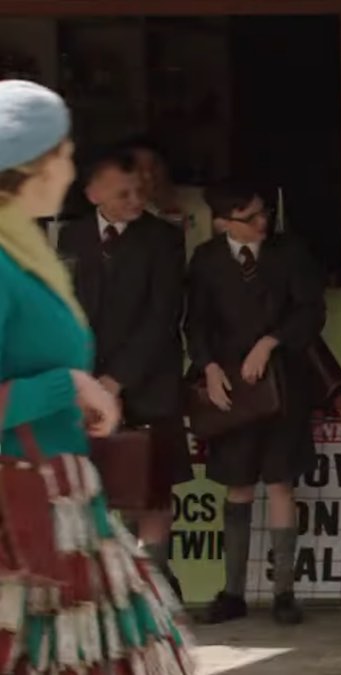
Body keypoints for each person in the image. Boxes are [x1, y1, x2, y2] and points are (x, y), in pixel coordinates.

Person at [0, 80, 193, 672]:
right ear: (25, 166)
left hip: (66, 509)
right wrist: (72, 386)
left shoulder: (25, 253)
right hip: (19, 516)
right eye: (60, 153)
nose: (69, 167)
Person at [186, 181, 326, 625]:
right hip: (229, 388)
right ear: (224, 222)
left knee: (282, 482)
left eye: (264, 213)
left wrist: (270, 342)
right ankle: (233, 593)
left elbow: (311, 309)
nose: (262, 223)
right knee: (237, 484)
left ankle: (284, 592)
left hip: (283, 384)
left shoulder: (289, 252)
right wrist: (207, 367)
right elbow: (196, 322)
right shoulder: (207, 261)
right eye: (250, 217)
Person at [56, 150, 191, 601]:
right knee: (95, 483)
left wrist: (116, 380)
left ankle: (155, 582)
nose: (135, 200)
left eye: (138, 191)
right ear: (94, 194)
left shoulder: (164, 239)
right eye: (123, 193)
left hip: (149, 379)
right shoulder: (70, 237)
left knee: (154, 485)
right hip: (86, 382)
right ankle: (105, 583)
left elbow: (162, 317)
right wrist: (82, 378)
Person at [118, 136, 216, 262]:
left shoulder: (206, 199)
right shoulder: (127, 215)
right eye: (139, 168)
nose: (149, 175)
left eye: (154, 165)